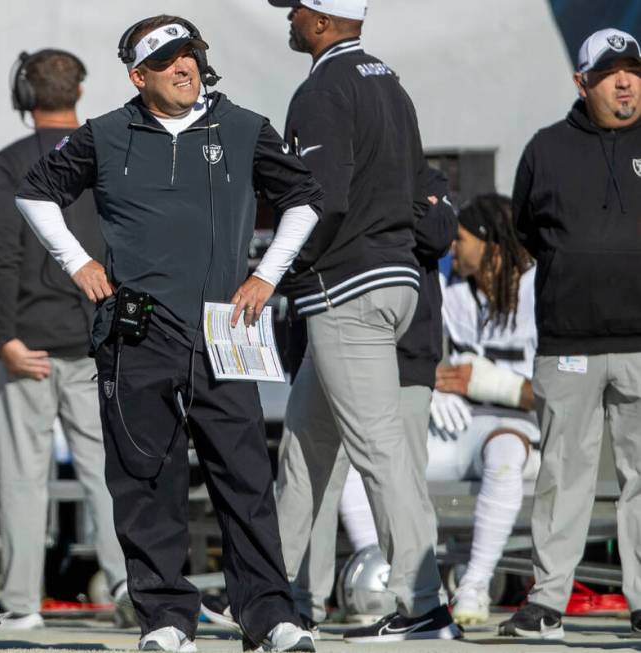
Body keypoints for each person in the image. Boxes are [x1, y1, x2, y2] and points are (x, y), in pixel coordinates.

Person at [15, 14, 323, 653]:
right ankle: (165, 618)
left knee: (243, 476)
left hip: (225, 328)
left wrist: (267, 275)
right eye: (169, 60)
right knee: (144, 480)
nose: (185, 67)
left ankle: (268, 617)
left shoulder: (242, 127)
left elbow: (306, 198)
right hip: (137, 332)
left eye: (192, 55)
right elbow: (35, 193)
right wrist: (78, 261)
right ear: (139, 75)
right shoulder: (104, 133)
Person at [267, 0, 461, 641]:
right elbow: (415, 192)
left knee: (380, 452)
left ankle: (423, 603)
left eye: (295, 11)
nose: (289, 20)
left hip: (347, 289)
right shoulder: (387, 78)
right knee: (303, 449)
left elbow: (320, 199)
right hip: (391, 281)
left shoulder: (323, 87)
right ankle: (279, 595)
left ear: (322, 21)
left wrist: (280, 272)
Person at [328, 194, 539, 628]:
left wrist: (482, 381)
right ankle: (381, 571)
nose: (452, 248)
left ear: (492, 247)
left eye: (460, 239)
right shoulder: (452, 292)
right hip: (455, 425)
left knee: (505, 454)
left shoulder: (538, 290)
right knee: (356, 463)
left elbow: (558, 390)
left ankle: (476, 583)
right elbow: (432, 360)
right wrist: (437, 384)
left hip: (516, 431)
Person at [499, 27, 641, 639]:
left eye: (634, 69)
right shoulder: (545, 149)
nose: (627, 80)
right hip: (569, 345)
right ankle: (549, 602)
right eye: (611, 72)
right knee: (562, 476)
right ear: (581, 83)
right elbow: (526, 231)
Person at [273, 167, 457, 632]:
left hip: (404, 354)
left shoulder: (424, 178)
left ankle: (420, 602)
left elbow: (438, 235)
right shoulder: (332, 180)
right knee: (306, 475)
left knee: (402, 478)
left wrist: (390, 202)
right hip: (328, 344)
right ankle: (292, 602)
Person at [0, 48, 130, 629]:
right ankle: (128, 588)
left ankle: (21, 604)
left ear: (26, 96)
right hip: (99, 338)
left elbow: (0, 255)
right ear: (80, 90)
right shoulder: (113, 152)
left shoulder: (10, 160)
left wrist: (3, 337)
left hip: (32, 342)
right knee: (107, 473)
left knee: (24, 477)